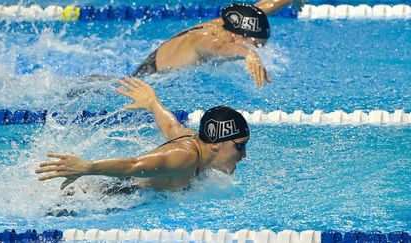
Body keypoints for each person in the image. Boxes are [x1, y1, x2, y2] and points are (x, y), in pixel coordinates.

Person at [35, 77, 250, 191]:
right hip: (111, 195)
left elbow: (172, 128)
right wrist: (89, 167)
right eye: (239, 146)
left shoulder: (194, 140)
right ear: (215, 143)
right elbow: (134, 165)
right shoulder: (185, 156)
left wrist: (153, 103)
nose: (244, 155)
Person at [132, 0, 305, 86]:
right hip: (153, 78)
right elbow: (220, 47)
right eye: (255, 44)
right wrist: (248, 53)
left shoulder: (226, 24)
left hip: (158, 58)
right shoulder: (205, 41)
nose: (258, 48)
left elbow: (258, 9)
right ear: (237, 37)